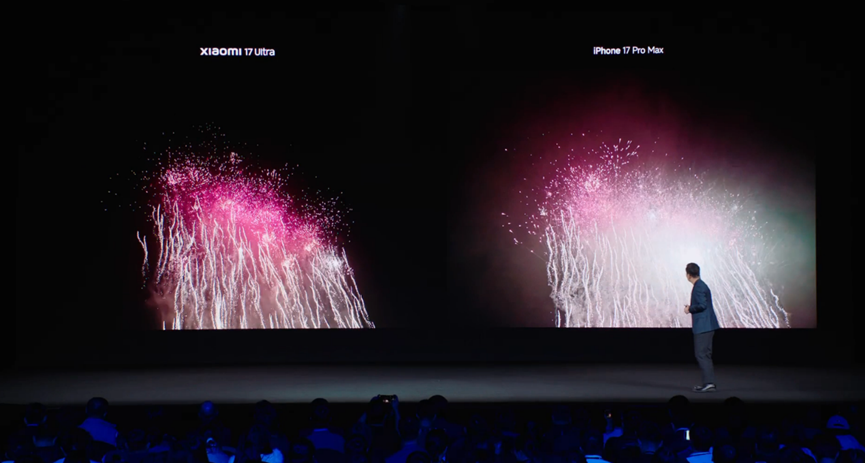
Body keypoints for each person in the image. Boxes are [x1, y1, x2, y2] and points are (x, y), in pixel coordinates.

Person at [684, 263, 720, 393]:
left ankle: (709, 383)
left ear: (688, 275)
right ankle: (708, 383)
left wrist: (690, 309)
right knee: (705, 355)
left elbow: (702, 305)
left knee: (701, 355)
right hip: (707, 326)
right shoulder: (701, 285)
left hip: (703, 327)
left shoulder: (699, 287)